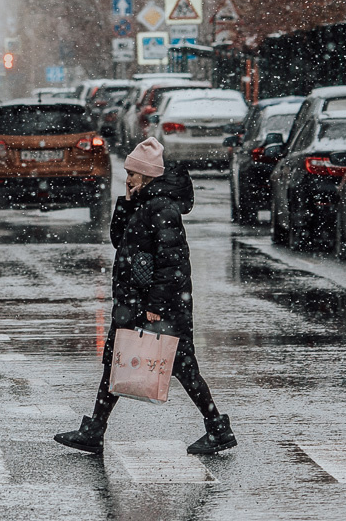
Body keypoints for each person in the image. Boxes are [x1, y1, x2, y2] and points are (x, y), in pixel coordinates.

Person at [55, 137, 234, 457]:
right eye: (127, 173)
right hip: (136, 301)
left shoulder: (162, 209)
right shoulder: (143, 204)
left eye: (133, 175)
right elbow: (117, 240)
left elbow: (172, 263)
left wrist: (155, 306)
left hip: (155, 306)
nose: (128, 179)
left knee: (181, 367)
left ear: (149, 176)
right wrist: (125, 202)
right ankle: (94, 430)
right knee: (117, 363)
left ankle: (217, 428)